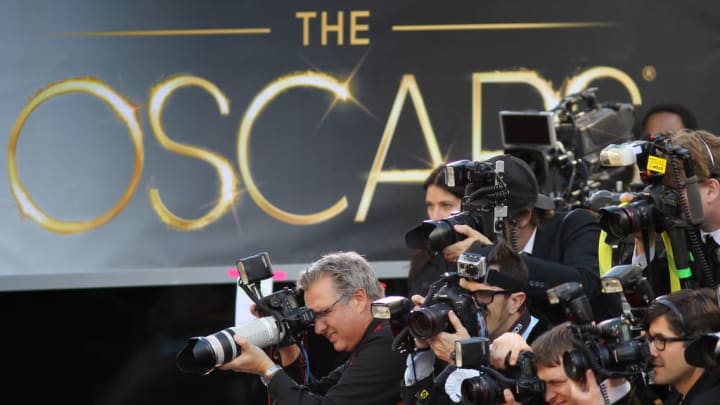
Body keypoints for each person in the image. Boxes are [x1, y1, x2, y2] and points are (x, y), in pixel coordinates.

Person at [219, 251, 406, 405]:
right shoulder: (376, 338)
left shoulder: (390, 341)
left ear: (358, 299)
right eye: (313, 317)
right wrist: (287, 344)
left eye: (324, 312)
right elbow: (317, 392)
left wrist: (267, 370)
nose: (318, 329)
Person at [449, 154, 609, 324]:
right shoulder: (471, 252)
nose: (478, 227)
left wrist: (496, 257)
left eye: (486, 219)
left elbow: (585, 285)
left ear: (524, 216)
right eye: (474, 218)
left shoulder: (574, 225)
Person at [401, 241, 550, 405]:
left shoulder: (545, 349)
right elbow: (420, 400)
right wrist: (424, 351)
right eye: (462, 293)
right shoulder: (456, 340)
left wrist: (466, 359)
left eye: (483, 295)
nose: (469, 303)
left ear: (515, 301)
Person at [629, 129, 720, 295]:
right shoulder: (679, 236)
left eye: (676, 188)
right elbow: (659, 303)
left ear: (711, 190)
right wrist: (643, 243)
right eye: (663, 189)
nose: (668, 199)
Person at [643, 288, 720, 404]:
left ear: (698, 344)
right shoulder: (679, 393)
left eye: (661, 340)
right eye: (651, 339)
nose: (651, 351)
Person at [408, 164, 465, 297]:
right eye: (430, 206)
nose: (435, 216)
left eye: (446, 205)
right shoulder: (421, 259)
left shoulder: (486, 257)